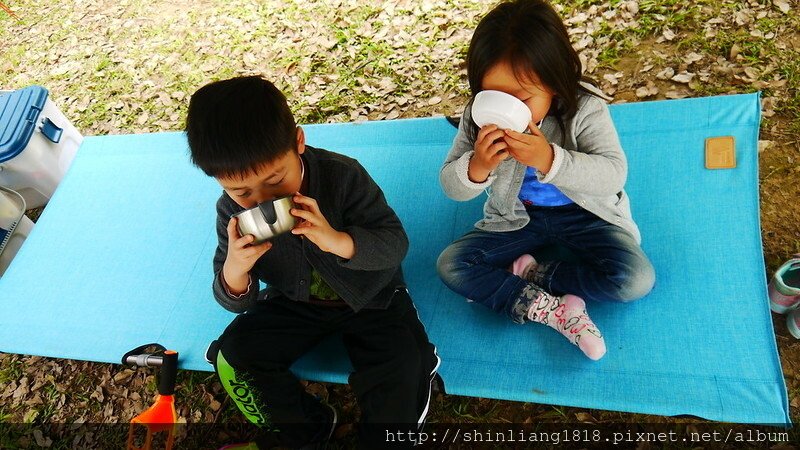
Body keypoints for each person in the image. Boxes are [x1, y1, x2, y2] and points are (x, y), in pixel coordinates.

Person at [186, 75, 440, 449]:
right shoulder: (232, 213)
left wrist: (337, 240)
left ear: (299, 143)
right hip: (295, 302)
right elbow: (232, 299)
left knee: (401, 369)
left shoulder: (343, 177)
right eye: (242, 191)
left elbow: (394, 244)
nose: (261, 200)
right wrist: (235, 269)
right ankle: (308, 428)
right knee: (234, 356)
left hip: (373, 295)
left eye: (276, 181)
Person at [437, 0, 655, 361]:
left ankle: (535, 273)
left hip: (587, 216)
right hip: (516, 217)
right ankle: (550, 310)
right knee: (451, 265)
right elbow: (451, 185)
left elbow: (612, 174)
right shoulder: (477, 118)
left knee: (634, 280)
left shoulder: (585, 109)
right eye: (492, 95)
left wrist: (549, 159)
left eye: (522, 97)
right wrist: (477, 166)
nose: (506, 109)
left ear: (555, 82)